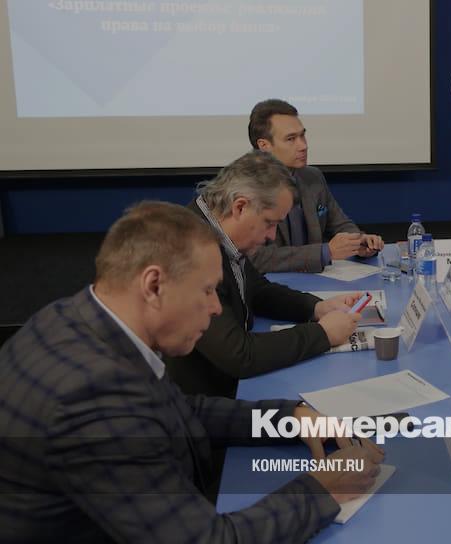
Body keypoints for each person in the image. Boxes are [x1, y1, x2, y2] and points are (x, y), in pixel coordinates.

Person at [0, 202, 384, 542]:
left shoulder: (77, 320)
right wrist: (322, 489)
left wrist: (290, 417)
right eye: (207, 291)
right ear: (154, 285)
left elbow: (181, 411)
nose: (217, 309)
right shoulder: (92, 398)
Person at [165, 151, 361, 399]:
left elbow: (257, 289)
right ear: (240, 207)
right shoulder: (191, 250)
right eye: (269, 223)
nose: (271, 236)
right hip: (206, 400)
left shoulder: (215, 226)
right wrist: (322, 334)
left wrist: (316, 308)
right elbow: (239, 355)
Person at [247, 98, 384, 273]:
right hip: (269, 284)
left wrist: (359, 242)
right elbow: (258, 258)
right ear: (264, 146)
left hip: (315, 280)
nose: (303, 146)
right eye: (291, 139)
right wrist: (324, 252)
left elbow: (339, 224)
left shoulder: (312, 177)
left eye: (302, 135)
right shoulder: (246, 188)